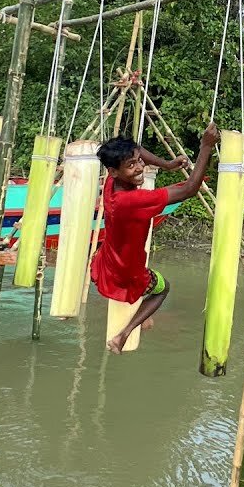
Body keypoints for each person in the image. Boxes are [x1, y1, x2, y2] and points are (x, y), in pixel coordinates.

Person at [92, 124, 218, 354]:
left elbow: (136, 148)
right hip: (127, 272)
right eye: (132, 166)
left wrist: (167, 165)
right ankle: (124, 334)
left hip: (108, 258)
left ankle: (139, 314)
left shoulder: (112, 184)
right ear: (114, 171)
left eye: (139, 161)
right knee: (162, 288)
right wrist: (206, 147)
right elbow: (189, 188)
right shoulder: (132, 201)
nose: (140, 167)